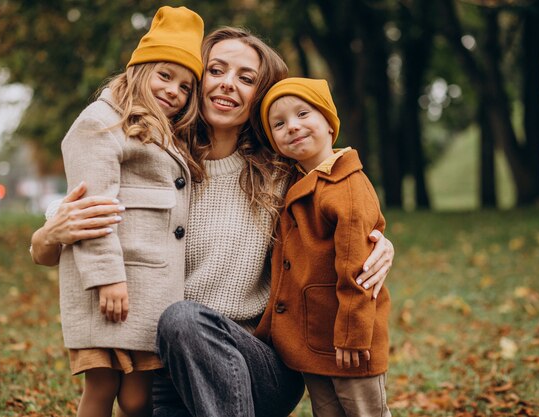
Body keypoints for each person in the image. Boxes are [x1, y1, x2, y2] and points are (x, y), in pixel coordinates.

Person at [30, 27, 395, 417]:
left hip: (259, 365)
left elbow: (342, 199)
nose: (227, 85)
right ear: (196, 81)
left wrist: (381, 243)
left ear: (262, 95)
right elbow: (79, 226)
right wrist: (47, 234)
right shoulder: (157, 158)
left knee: (183, 318)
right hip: (165, 367)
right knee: (175, 329)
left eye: (246, 78)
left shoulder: (281, 173)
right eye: (216, 71)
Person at [50, 7, 204, 417]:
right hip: (112, 286)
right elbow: (93, 209)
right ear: (139, 71)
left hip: (149, 288)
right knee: (101, 388)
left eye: (186, 86)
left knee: (137, 398)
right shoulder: (100, 123)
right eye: (164, 76)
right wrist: (107, 279)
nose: (174, 91)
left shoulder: (165, 132)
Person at [255, 77, 391, 417]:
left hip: (349, 340)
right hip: (315, 338)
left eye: (303, 114)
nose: (293, 127)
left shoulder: (345, 185)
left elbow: (356, 266)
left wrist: (353, 333)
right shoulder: (299, 181)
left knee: (363, 411)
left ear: (329, 124)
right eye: (279, 124)